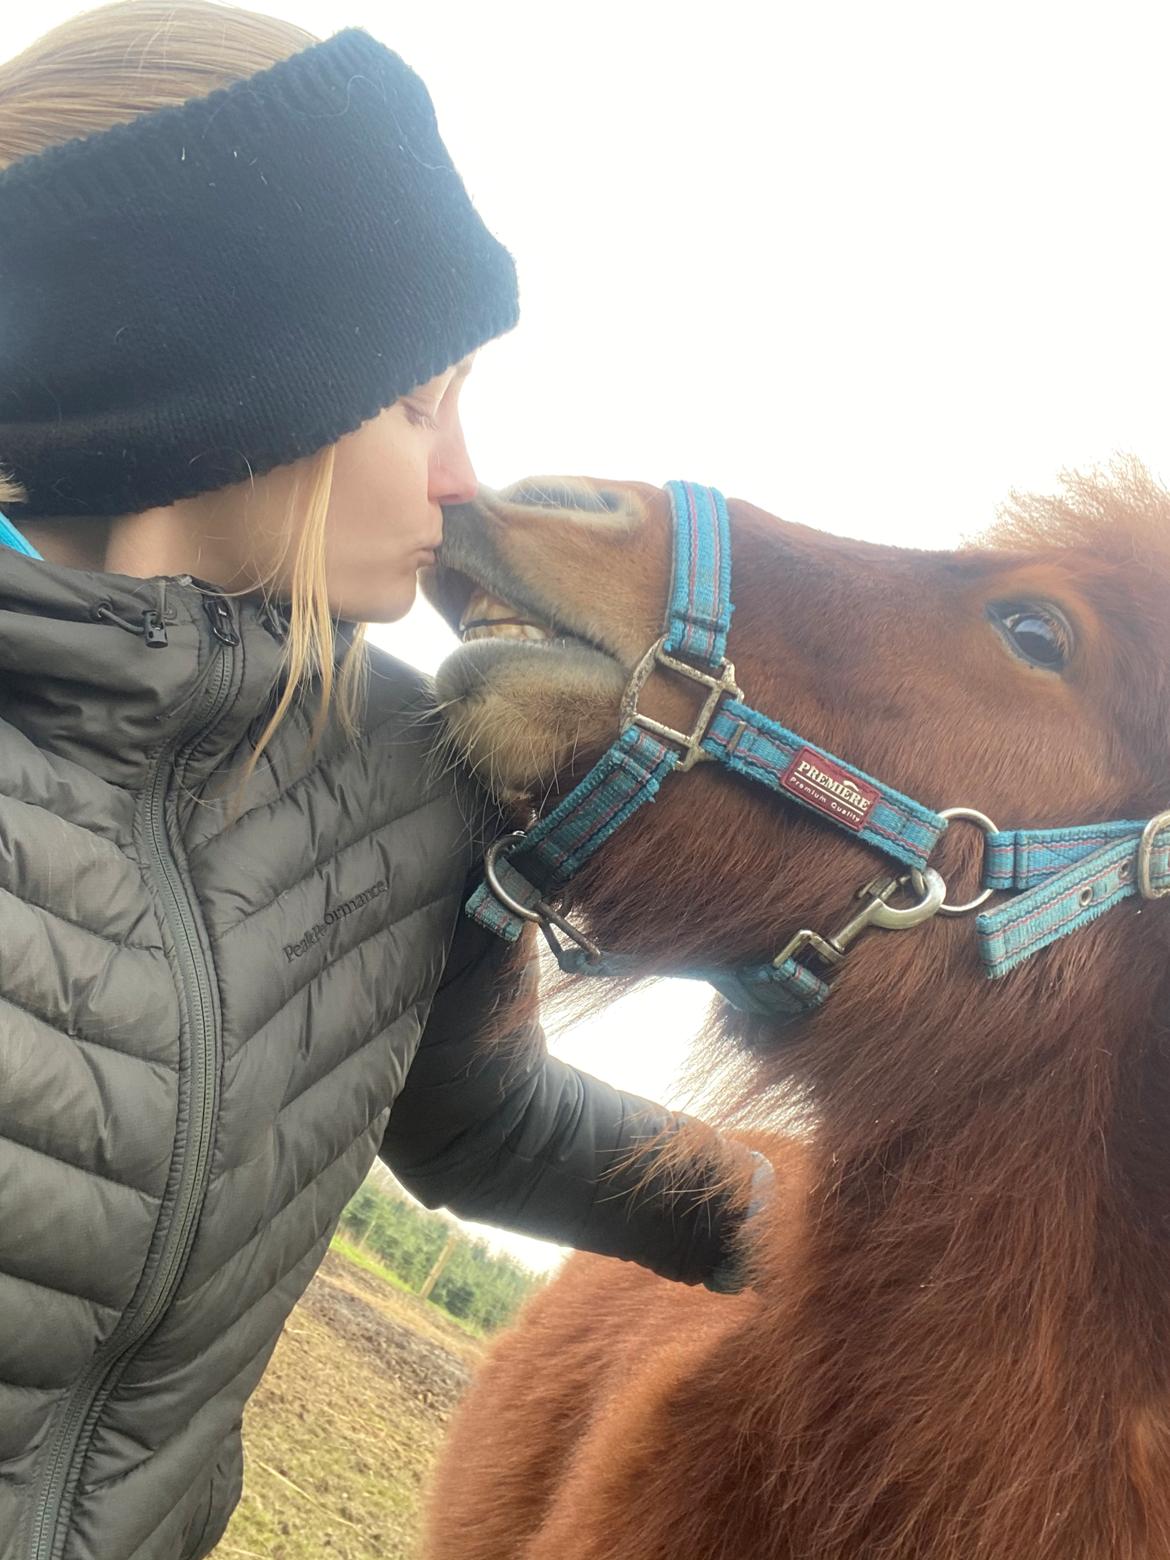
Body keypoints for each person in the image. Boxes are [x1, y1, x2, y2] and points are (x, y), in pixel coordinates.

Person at [0, 5, 766, 1558]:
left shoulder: (418, 780)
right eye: (419, 399)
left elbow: (478, 1123)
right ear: (226, 387)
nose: (464, 478)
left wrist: (836, 1216)